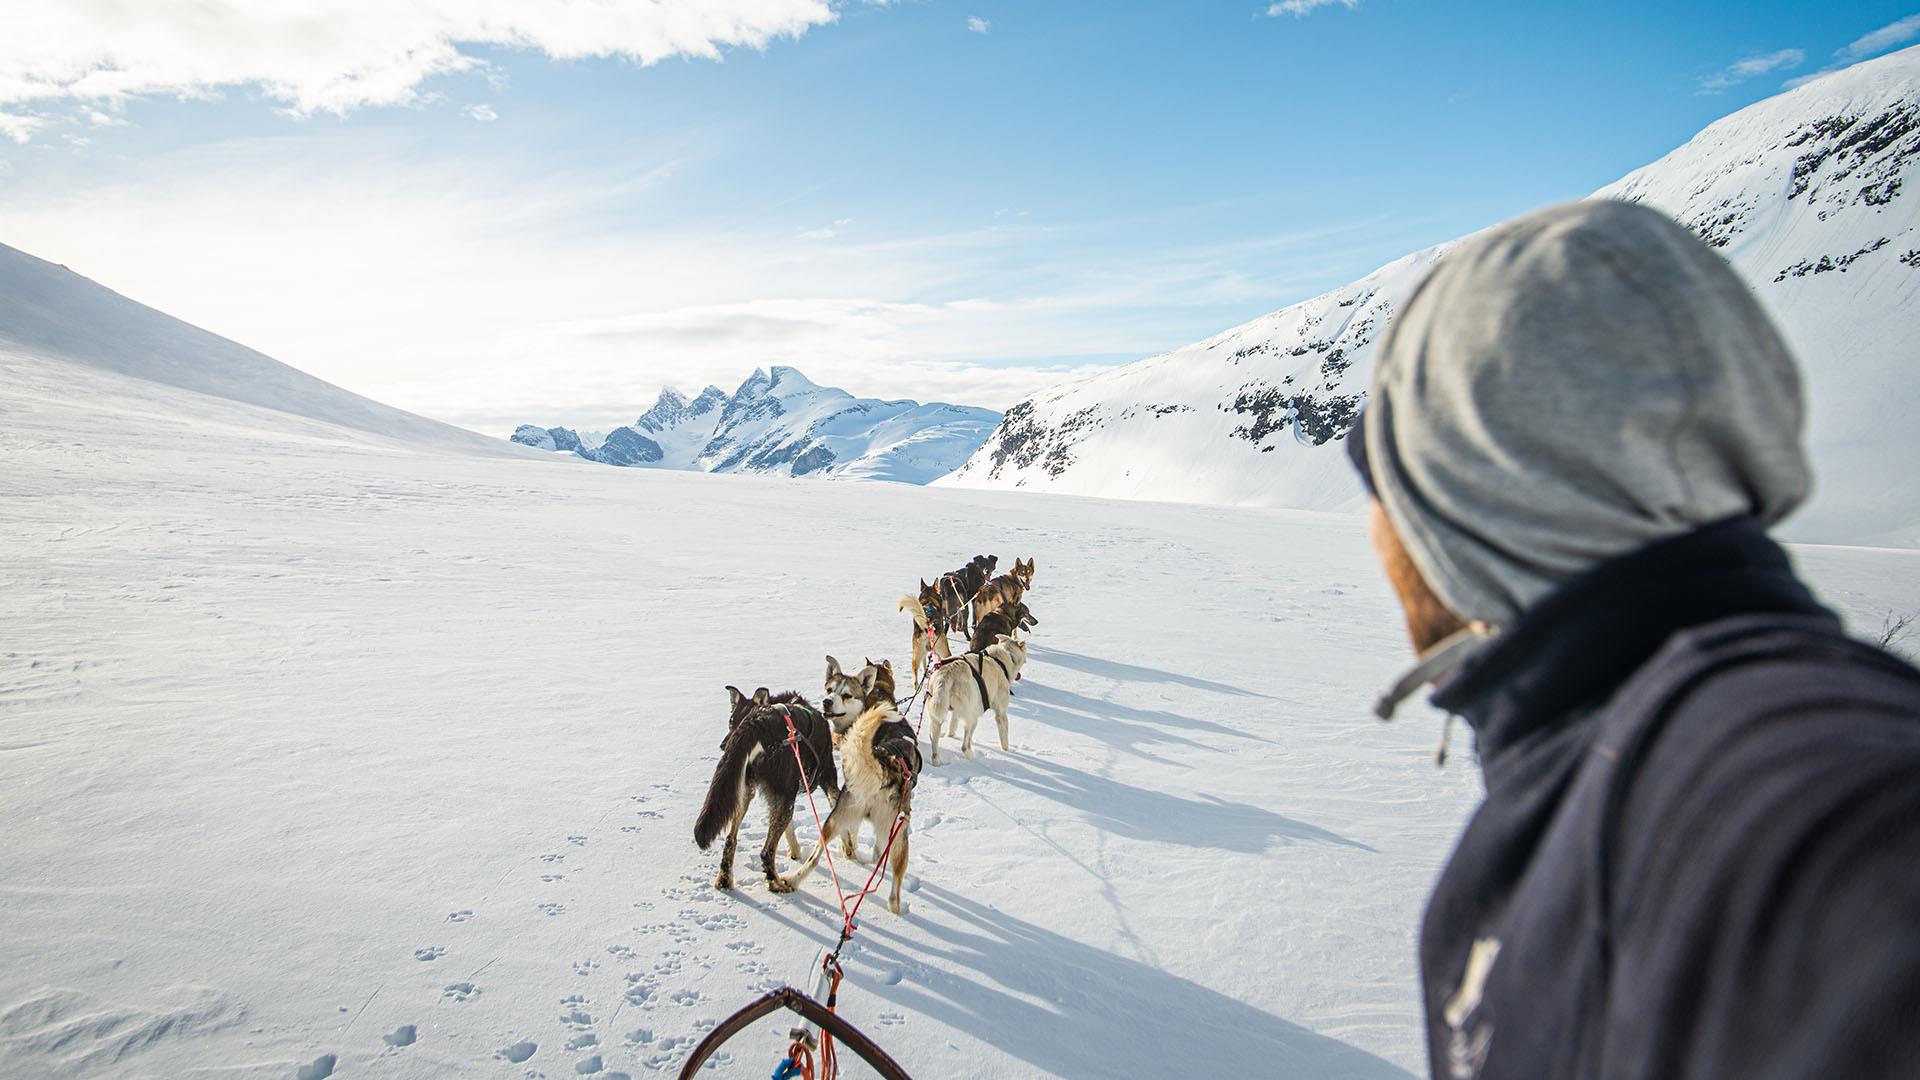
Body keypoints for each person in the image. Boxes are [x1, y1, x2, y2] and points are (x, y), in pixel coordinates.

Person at [1346, 199, 1920, 1079]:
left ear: (1461, 504)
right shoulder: (1603, 755)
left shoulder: (1770, 771)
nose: (1377, 531)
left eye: (1387, 485)